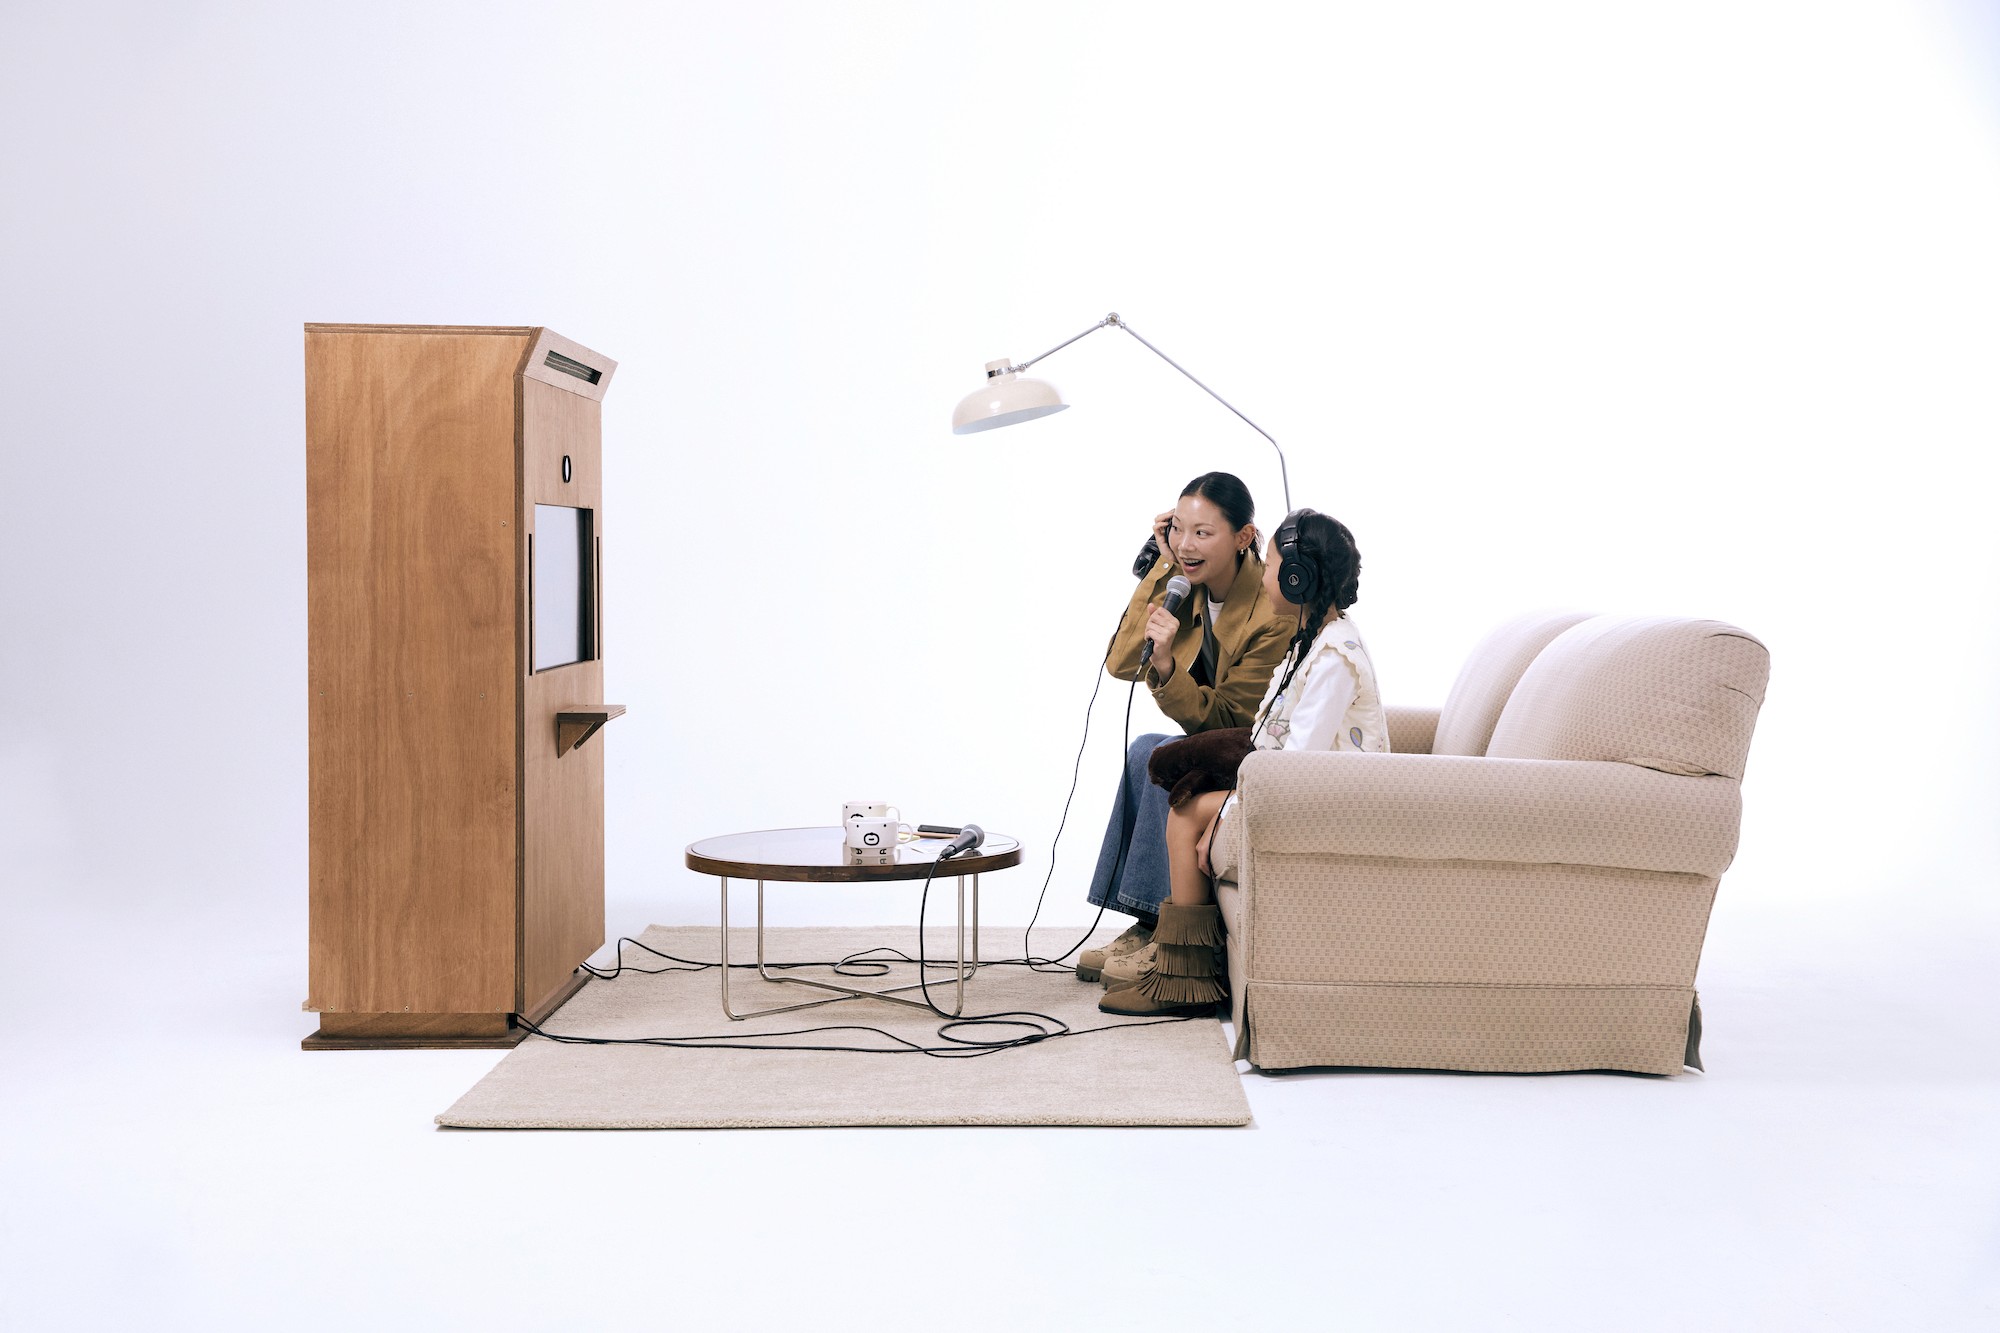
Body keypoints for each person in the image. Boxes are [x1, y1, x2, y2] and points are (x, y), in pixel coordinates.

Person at [1100, 508, 1387, 1017]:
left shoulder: (1334, 658)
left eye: (1272, 566)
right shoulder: (1310, 639)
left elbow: (1297, 767)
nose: (1265, 574)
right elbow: (1268, 734)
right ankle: (1174, 960)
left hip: (1332, 801)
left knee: (1186, 814)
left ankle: (1185, 976)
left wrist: (1226, 814)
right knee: (1177, 779)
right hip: (1298, 785)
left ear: (1298, 579)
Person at [1078, 472, 1295, 984]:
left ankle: (1163, 930)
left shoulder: (1271, 612)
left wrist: (1168, 668)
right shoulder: (1184, 582)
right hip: (1219, 740)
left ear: (1243, 537)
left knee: (1163, 755)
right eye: (1177, 528)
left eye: (1202, 533)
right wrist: (1162, 567)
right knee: (1145, 748)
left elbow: (1231, 719)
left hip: (1254, 748)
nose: (1186, 544)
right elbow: (1120, 663)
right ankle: (1147, 921)